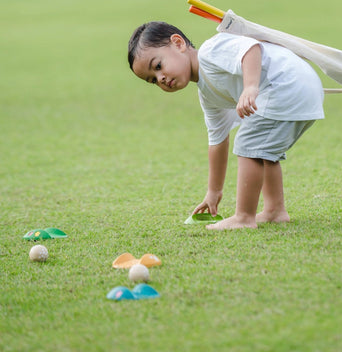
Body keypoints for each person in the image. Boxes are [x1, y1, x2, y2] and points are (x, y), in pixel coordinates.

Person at [127, 21, 324, 230]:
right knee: (263, 149)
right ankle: (274, 210)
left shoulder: (210, 52)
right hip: (300, 88)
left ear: (178, 44)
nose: (161, 78)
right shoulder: (207, 94)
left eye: (158, 66)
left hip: (287, 84)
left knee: (249, 143)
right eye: (153, 80)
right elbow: (217, 141)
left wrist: (250, 87)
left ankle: (244, 218)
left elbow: (250, 49)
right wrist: (214, 192)